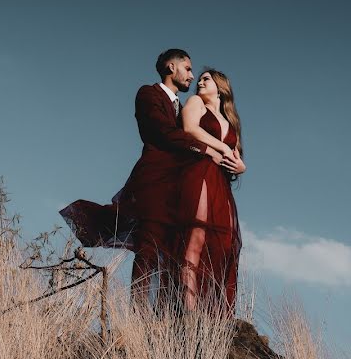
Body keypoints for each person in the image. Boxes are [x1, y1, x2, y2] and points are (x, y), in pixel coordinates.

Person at [60, 49, 227, 306]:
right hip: (153, 182)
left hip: (178, 189)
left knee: (173, 253)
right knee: (148, 249)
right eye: (188, 69)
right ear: (172, 67)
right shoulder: (148, 94)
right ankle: (139, 320)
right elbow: (163, 133)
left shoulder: (183, 108)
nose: (192, 76)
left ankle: (166, 316)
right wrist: (207, 150)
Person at [175, 69, 245, 316]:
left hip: (221, 184)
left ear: (221, 86)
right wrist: (223, 148)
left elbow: (237, 157)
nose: (199, 82)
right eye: (200, 79)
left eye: (206, 79)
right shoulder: (195, 102)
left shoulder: (230, 119)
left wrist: (241, 165)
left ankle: (216, 315)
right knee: (196, 236)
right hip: (200, 173)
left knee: (223, 246)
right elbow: (190, 128)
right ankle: (189, 312)